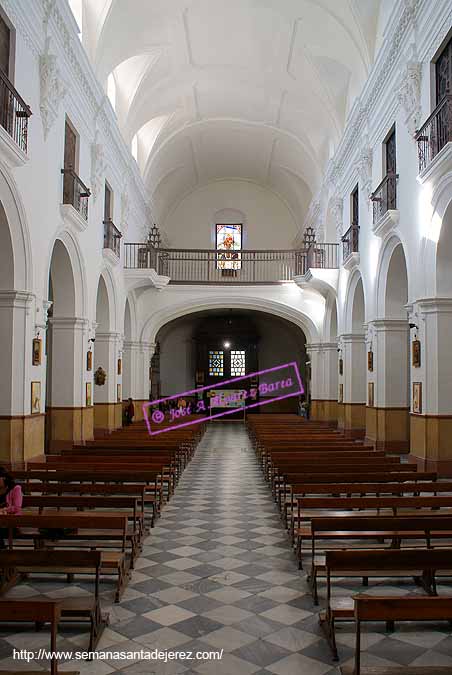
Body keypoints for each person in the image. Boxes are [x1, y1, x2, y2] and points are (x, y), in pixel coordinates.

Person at [0, 467, 23, 549]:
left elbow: (17, 508)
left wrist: (3, 510)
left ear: (4, 478)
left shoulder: (16, 488)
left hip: (11, 522)